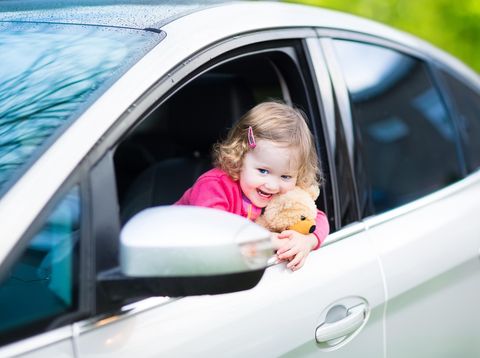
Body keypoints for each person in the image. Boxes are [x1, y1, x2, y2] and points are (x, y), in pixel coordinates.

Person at [176, 101, 329, 270]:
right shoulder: (214, 186)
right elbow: (212, 232)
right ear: (240, 157)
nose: (272, 185)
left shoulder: (284, 192)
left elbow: (318, 217)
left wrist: (308, 240)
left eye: (285, 176)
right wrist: (265, 239)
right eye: (263, 171)